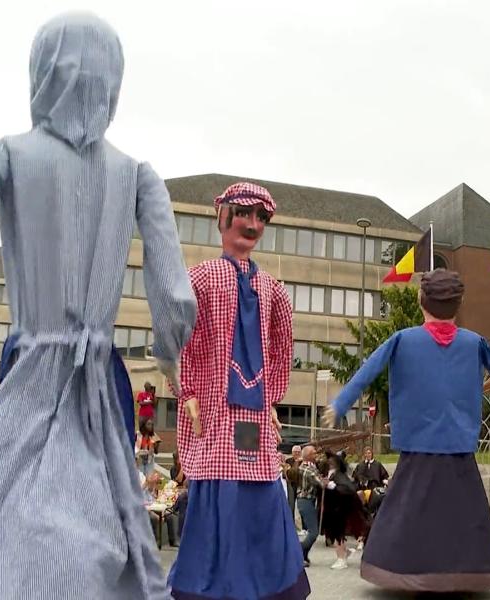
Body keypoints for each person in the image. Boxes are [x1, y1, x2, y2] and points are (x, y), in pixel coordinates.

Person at [0, 12, 197, 599]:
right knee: (103, 513)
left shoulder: (4, 154)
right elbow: (173, 285)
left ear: (40, 70)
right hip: (103, 378)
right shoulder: (138, 175)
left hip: (29, 364)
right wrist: (171, 358)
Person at [324, 269, 490, 592]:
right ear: (460, 302)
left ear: (420, 299)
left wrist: (341, 404)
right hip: (457, 445)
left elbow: (368, 369)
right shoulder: (474, 343)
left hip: (418, 444)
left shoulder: (402, 339)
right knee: (465, 513)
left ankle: (397, 570)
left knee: (407, 511)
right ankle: (472, 572)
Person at [168, 182, 308, 600]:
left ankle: (267, 583)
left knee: (258, 488)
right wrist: (187, 390)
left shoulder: (274, 289)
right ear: (222, 218)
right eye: (243, 214)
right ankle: (215, 584)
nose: (252, 224)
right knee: (219, 490)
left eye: (261, 217)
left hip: (250, 414)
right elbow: (177, 337)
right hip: (212, 407)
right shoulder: (199, 278)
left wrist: (271, 398)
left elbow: (284, 342)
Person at [320, 451, 371, 570]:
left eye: (332, 460)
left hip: (340, 510)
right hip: (334, 509)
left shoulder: (340, 476)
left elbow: (348, 490)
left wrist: (332, 486)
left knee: (339, 536)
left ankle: (341, 559)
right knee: (337, 535)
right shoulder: (332, 474)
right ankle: (344, 554)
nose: (329, 462)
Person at [297, 444, 325, 567]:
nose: (316, 455)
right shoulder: (306, 468)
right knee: (313, 532)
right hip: (305, 501)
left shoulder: (311, 466)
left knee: (312, 531)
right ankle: (297, 554)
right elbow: (320, 483)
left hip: (308, 501)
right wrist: (327, 482)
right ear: (308, 456)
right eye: (314, 453)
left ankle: (304, 556)